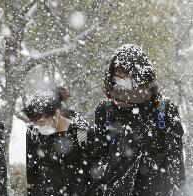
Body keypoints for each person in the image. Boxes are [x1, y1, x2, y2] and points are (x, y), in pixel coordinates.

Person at [93, 44, 186, 196]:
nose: (119, 78)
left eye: (124, 73)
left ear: (140, 75)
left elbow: (175, 162)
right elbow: (98, 156)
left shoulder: (164, 109)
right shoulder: (105, 110)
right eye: (116, 73)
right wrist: (108, 174)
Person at [23, 86, 103, 196]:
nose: (39, 126)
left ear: (57, 113)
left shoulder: (82, 133)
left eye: (42, 122)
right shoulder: (34, 133)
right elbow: (31, 172)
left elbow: (95, 176)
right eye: (35, 123)